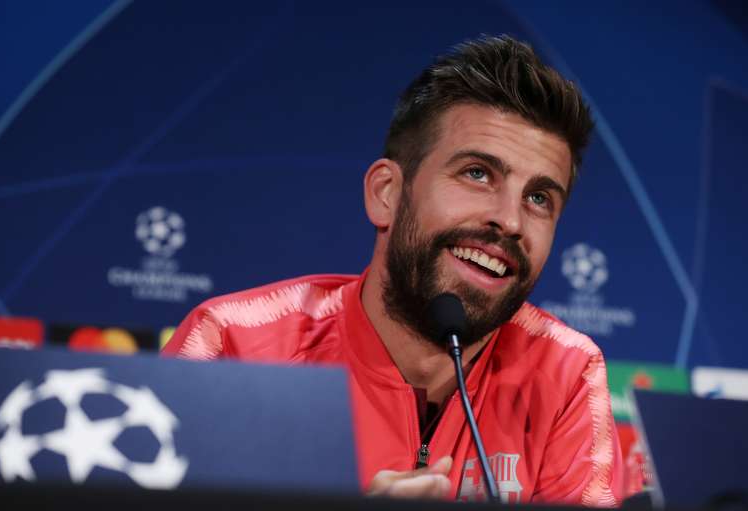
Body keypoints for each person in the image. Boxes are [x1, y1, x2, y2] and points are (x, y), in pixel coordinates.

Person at [163, 34, 626, 506]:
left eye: (539, 198)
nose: (510, 221)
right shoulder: (232, 347)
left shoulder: (566, 373)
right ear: (387, 193)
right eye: (478, 173)